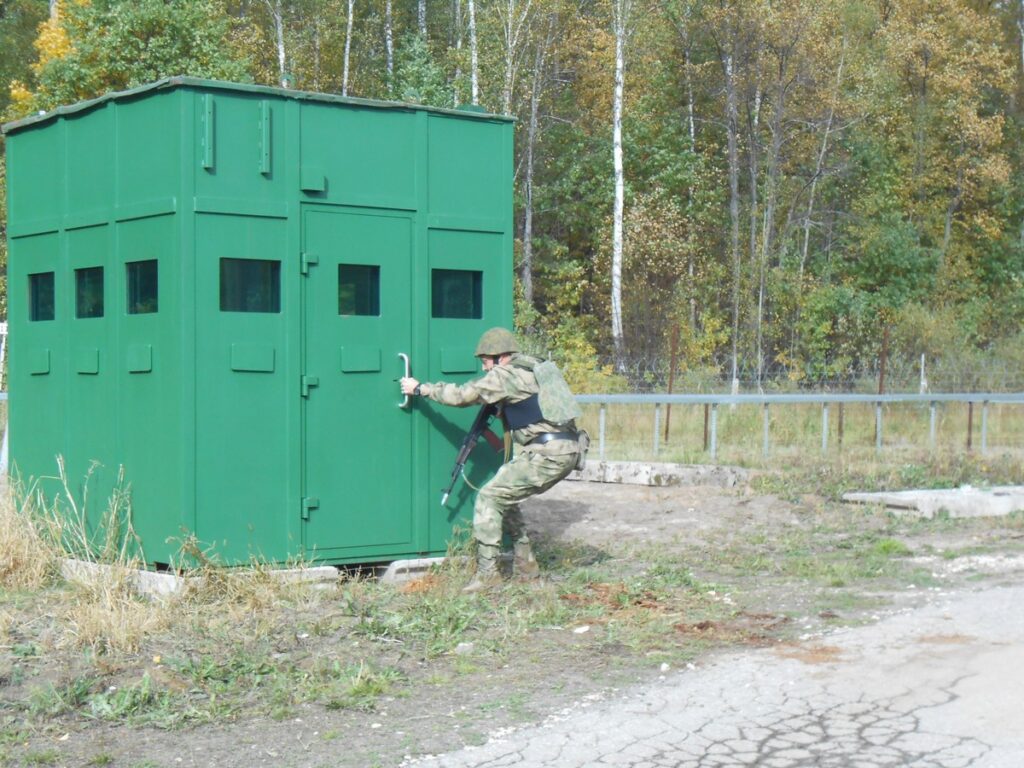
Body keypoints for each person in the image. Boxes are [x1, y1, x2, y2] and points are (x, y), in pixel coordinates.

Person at [400, 327, 580, 593]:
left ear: (501, 357)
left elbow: (462, 396)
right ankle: (527, 571)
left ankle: (488, 576)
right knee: (505, 499)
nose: (485, 368)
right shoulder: (534, 368)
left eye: (485, 361)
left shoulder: (505, 375)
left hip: (548, 453)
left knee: (489, 497)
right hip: (565, 449)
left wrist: (420, 389)